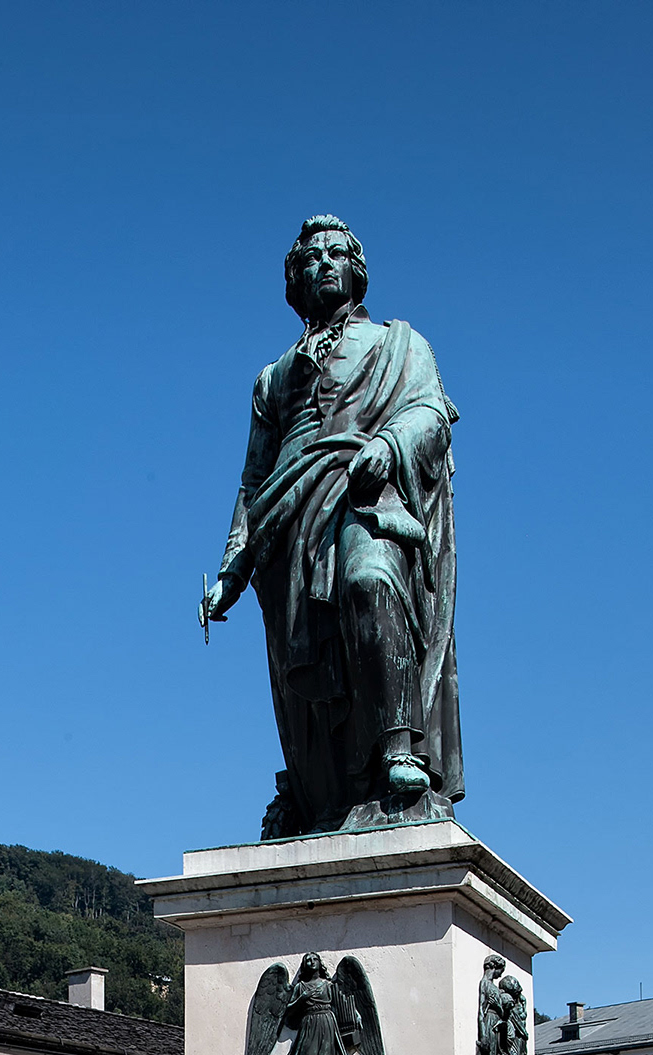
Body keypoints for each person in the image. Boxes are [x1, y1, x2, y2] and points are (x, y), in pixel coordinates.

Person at [203, 215, 464, 837]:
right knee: (299, 652)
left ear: (357, 270)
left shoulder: (399, 344)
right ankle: (315, 787)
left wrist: (393, 443)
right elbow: (251, 478)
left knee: (367, 581)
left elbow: (431, 410)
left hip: (368, 492)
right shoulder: (273, 376)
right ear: (294, 280)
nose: (323, 264)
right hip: (285, 519)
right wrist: (233, 567)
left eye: (335, 254)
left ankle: (398, 747)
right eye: (310, 258)